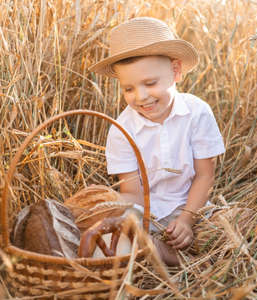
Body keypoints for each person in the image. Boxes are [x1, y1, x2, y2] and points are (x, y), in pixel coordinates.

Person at [88, 17, 225, 266]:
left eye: (150, 83)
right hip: (146, 214)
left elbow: (205, 176)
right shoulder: (122, 129)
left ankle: (174, 256)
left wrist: (186, 220)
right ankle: (172, 257)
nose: (141, 97)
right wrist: (140, 227)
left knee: (241, 224)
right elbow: (131, 193)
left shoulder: (198, 113)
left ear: (175, 71)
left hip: (192, 208)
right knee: (118, 240)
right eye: (128, 89)